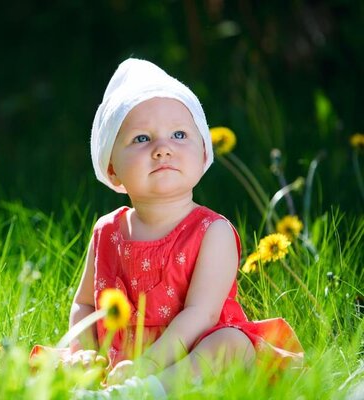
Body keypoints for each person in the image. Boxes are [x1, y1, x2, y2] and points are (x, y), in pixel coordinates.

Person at [32, 58, 304, 398]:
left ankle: (149, 390)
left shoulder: (211, 231)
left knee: (230, 344)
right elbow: (85, 304)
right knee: (46, 374)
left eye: (179, 134)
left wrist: (150, 365)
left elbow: (202, 314)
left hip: (188, 358)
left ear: (203, 151)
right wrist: (84, 352)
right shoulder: (107, 232)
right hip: (119, 364)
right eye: (142, 138)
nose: (162, 149)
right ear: (112, 168)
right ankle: (106, 390)